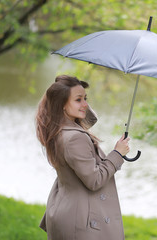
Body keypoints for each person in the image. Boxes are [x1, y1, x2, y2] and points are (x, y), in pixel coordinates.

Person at [36, 75, 130, 240]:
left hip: (69, 211)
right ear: (62, 104)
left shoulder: (57, 128)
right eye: (78, 100)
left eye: (85, 99)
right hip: (83, 222)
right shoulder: (75, 138)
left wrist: (72, 90)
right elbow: (94, 180)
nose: (85, 104)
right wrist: (117, 154)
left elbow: (90, 119)